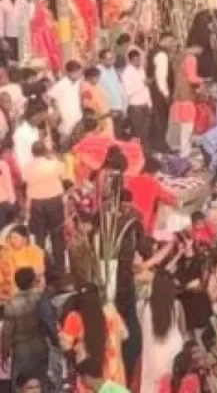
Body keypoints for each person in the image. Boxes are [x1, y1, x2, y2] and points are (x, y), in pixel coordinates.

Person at [59, 283, 128, 390]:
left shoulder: (75, 317)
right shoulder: (111, 313)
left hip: (89, 377)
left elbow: (65, 346)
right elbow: (125, 335)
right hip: (114, 372)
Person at [1, 268, 51, 390]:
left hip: (20, 350)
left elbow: (6, 333)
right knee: (41, 383)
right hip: (40, 346)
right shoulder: (41, 299)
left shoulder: (11, 304)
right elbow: (50, 323)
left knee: (19, 384)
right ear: (33, 281)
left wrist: (4, 353)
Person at [139, 268, 186, 392]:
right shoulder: (177, 305)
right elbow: (183, 332)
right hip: (174, 354)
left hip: (153, 355)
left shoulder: (144, 307)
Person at [23, 140, 66, 276]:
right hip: (54, 201)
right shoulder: (53, 164)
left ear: (32, 153)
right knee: (57, 235)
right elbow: (63, 173)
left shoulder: (27, 167)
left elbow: (25, 181)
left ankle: (41, 267)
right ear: (45, 151)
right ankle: (60, 267)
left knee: (39, 237)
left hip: (36, 202)